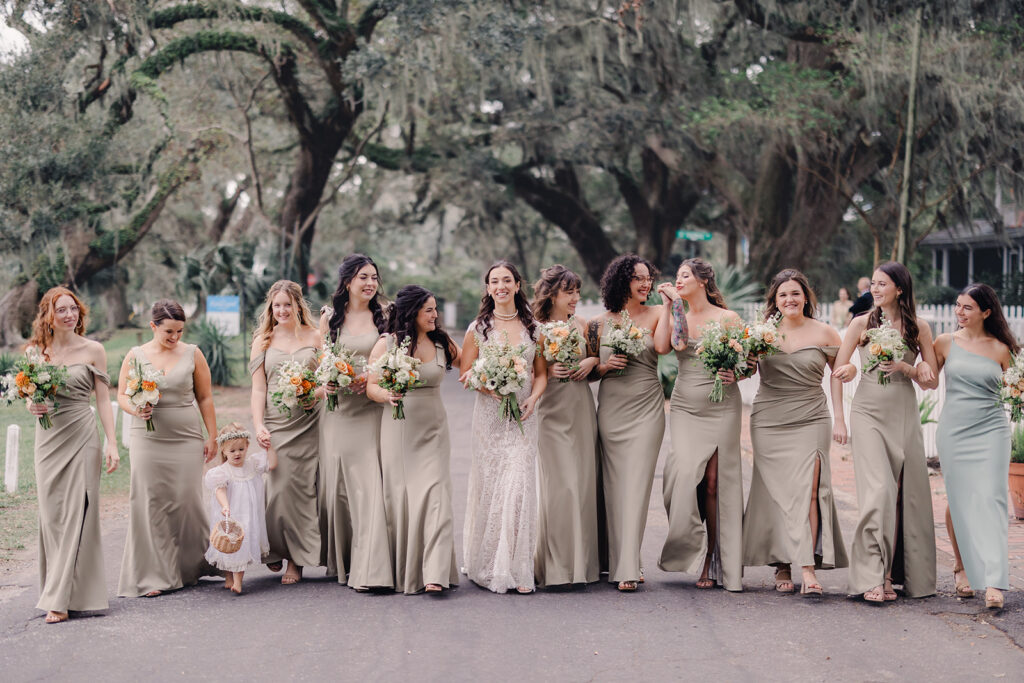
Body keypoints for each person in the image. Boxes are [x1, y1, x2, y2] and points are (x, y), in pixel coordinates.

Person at [833, 261, 937, 602]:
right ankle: (871, 577)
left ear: (900, 289)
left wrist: (908, 366)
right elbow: (840, 369)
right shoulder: (861, 323)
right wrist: (840, 416)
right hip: (867, 413)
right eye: (873, 284)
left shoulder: (918, 327)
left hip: (904, 412)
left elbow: (931, 381)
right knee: (878, 492)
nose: (875, 289)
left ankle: (891, 575)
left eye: (882, 284)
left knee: (901, 494)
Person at [741, 269, 849, 596]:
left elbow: (840, 373)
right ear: (775, 300)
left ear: (806, 297)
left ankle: (808, 568)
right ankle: (783, 565)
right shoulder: (761, 333)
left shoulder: (826, 332)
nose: (790, 299)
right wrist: (740, 360)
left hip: (812, 417)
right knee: (777, 492)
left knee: (811, 490)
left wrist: (841, 418)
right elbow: (744, 371)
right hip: (769, 419)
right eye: (783, 295)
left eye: (795, 293)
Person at [25, 287, 119, 623]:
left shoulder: (94, 350)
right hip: (48, 440)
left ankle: (60, 600)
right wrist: (31, 404)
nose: (69, 315)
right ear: (48, 315)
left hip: (82, 434)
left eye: (73, 309)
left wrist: (111, 442)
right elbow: (29, 394)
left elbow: (104, 400)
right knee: (52, 516)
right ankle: (58, 588)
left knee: (78, 512)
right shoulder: (37, 352)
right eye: (61, 310)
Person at [118, 299, 219, 598]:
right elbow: (123, 395)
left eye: (179, 331)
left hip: (185, 436)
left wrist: (211, 436)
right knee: (151, 502)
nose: (175, 338)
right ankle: (154, 575)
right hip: (147, 438)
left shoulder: (193, 353)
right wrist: (136, 410)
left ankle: (196, 565)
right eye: (169, 332)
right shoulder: (136, 355)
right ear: (153, 326)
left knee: (187, 499)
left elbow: (205, 398)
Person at [654, 258, 744, 591]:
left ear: (703, 281)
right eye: (676, 275)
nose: (678, 280)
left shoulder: (728, 318)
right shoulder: (678, 314)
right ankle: (687, 543)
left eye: (685, 275)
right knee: (683, 475)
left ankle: (711, 557)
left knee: (713, 484)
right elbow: (667, 346)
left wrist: (736, 373)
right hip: (686, 408)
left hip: (723, 406)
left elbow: (749, 362)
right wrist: (670, 308)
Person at [461, 260, 548, 594]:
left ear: (517, 285)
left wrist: (533, 399)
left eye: (507, 280)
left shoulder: (533, 328)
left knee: (519, 485)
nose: (501, 286)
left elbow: (540, 373)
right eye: (494, 281)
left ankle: (515, 566)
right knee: (492, 485)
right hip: (490, 417)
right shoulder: (478, 329)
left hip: (524, 416)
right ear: (488, 288)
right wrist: (493, 388)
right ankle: (489, 564)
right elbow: (466, 373)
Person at [368, 285, 461, 594]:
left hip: (434, 430)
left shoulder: (441, 342)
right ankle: (405, 569)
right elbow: (371, 385)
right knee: (403, 500)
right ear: (412, 313)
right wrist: (386, 394)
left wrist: (503, 366)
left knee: (437, 495)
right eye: (429, 310)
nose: (436, 315)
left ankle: (434, 572)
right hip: (399, 429)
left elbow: (470, 363)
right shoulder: (388, 344)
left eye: (436, 309)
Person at [932, 283, 1016, 610]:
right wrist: (903, 365)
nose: (959, 312)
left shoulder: (1002, 349)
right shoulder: (944, 343)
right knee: (958, 499)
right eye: (957, 306)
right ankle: (961, 565)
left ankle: (995, 581)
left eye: (967, 307)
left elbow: (1015, 390)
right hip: (955, 430)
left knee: (993, 498)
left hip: (992, 430)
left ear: (986, 311)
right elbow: (927, 380)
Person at [587, 254, 665, 592]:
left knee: (637, 485)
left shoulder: (659, 314)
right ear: (622, 282)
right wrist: (603, 367)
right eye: (638, 278)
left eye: (648, 278)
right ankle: (618, 560)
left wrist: (675, 303)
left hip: (647, 406)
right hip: (612, 407)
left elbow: (665, 348)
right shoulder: (597, 324)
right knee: (614, 487)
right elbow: (587, 373)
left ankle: (629, 564)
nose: (645, 284)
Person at [320, 255, 393, 590]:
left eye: (374, 277)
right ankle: (349, 560)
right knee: (345, 489)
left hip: (375, 410)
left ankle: (374, 567)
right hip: (341, 413)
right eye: (363, 277)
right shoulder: (330, 319)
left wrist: (377, 380)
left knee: (372, 485)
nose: (370, 283)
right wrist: (331, 384)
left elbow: (396, 358)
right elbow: (323, 366)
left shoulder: (387, 315)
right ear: (347, 281)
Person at [532, 265, 602, 587]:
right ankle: (556, 567)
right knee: (560, 487)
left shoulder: (584, 325)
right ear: (552, 294)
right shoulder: (536, 329)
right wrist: (547, 369)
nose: (575, 298)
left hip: (580, 408)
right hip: (551, 411)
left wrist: (591, 362)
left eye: (577, 291)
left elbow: (597, 364)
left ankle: (582, 567)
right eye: (569, 292)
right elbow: (528, 373)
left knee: (583, 486)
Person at [249, 280, 322, 585]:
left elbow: (326, 382)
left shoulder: (316, 337)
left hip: (309, 421)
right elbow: (258, 388)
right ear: (270, 307)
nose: (281, 310)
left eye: (287, 305)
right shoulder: (262, 340)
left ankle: (296, 560)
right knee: (278, 488)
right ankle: (275, 547)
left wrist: (311, 394)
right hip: (277, 422)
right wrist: (258, 425)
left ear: (297, 305)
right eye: (276, 305)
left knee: (303, 489)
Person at [204, 423, 277, 595]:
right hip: (231, 514)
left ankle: (238, 581)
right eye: (232, 451)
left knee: (241, 546)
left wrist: (269, 448)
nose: (237, 454)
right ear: (223, 451)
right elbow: (219, 490)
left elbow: (272, 465)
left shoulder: (253, 464)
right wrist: (225, 506)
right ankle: (229, 577)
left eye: (241, 449)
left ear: (247, 447)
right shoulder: (222, 471)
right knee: (228, 546)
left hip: (248, 516)